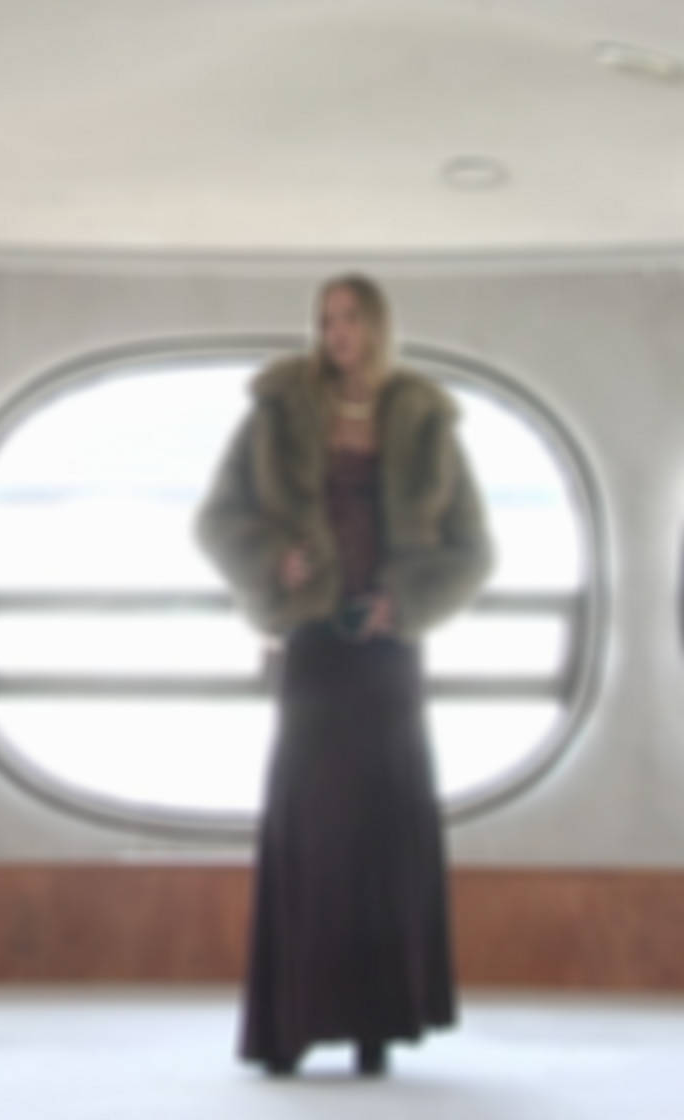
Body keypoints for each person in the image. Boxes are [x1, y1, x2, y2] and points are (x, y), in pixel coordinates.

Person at [192, 272, 495, 1078]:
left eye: (351, 319)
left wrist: (410, 602)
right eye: (327, 320)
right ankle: (291, 1023)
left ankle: (377, 1026)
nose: (337, 334)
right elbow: (216, 519)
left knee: (384, 833)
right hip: (314, 646)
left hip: (390, 650)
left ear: (378, 325)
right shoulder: (279, 408)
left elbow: (474, 550)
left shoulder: (424, 417)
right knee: (311, 830)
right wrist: (272, 558)